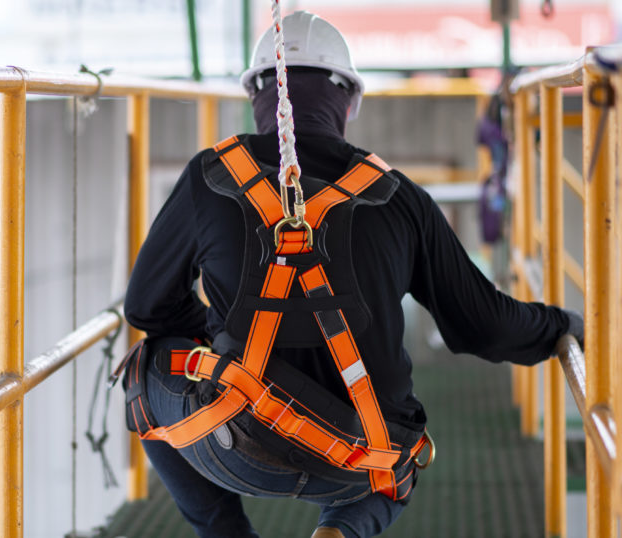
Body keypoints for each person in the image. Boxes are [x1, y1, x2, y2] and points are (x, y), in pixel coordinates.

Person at [121, 10, 583, 538]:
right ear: (349, 102)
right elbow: (485, 325)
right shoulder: (399, 196)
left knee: (144, 371)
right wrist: (563, 324)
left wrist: (217, 339)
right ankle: (342, 529)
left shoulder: (211, 176)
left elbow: (147, 307)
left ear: (256, 95)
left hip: (239, 442)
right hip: (364, 459)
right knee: (397, 465)